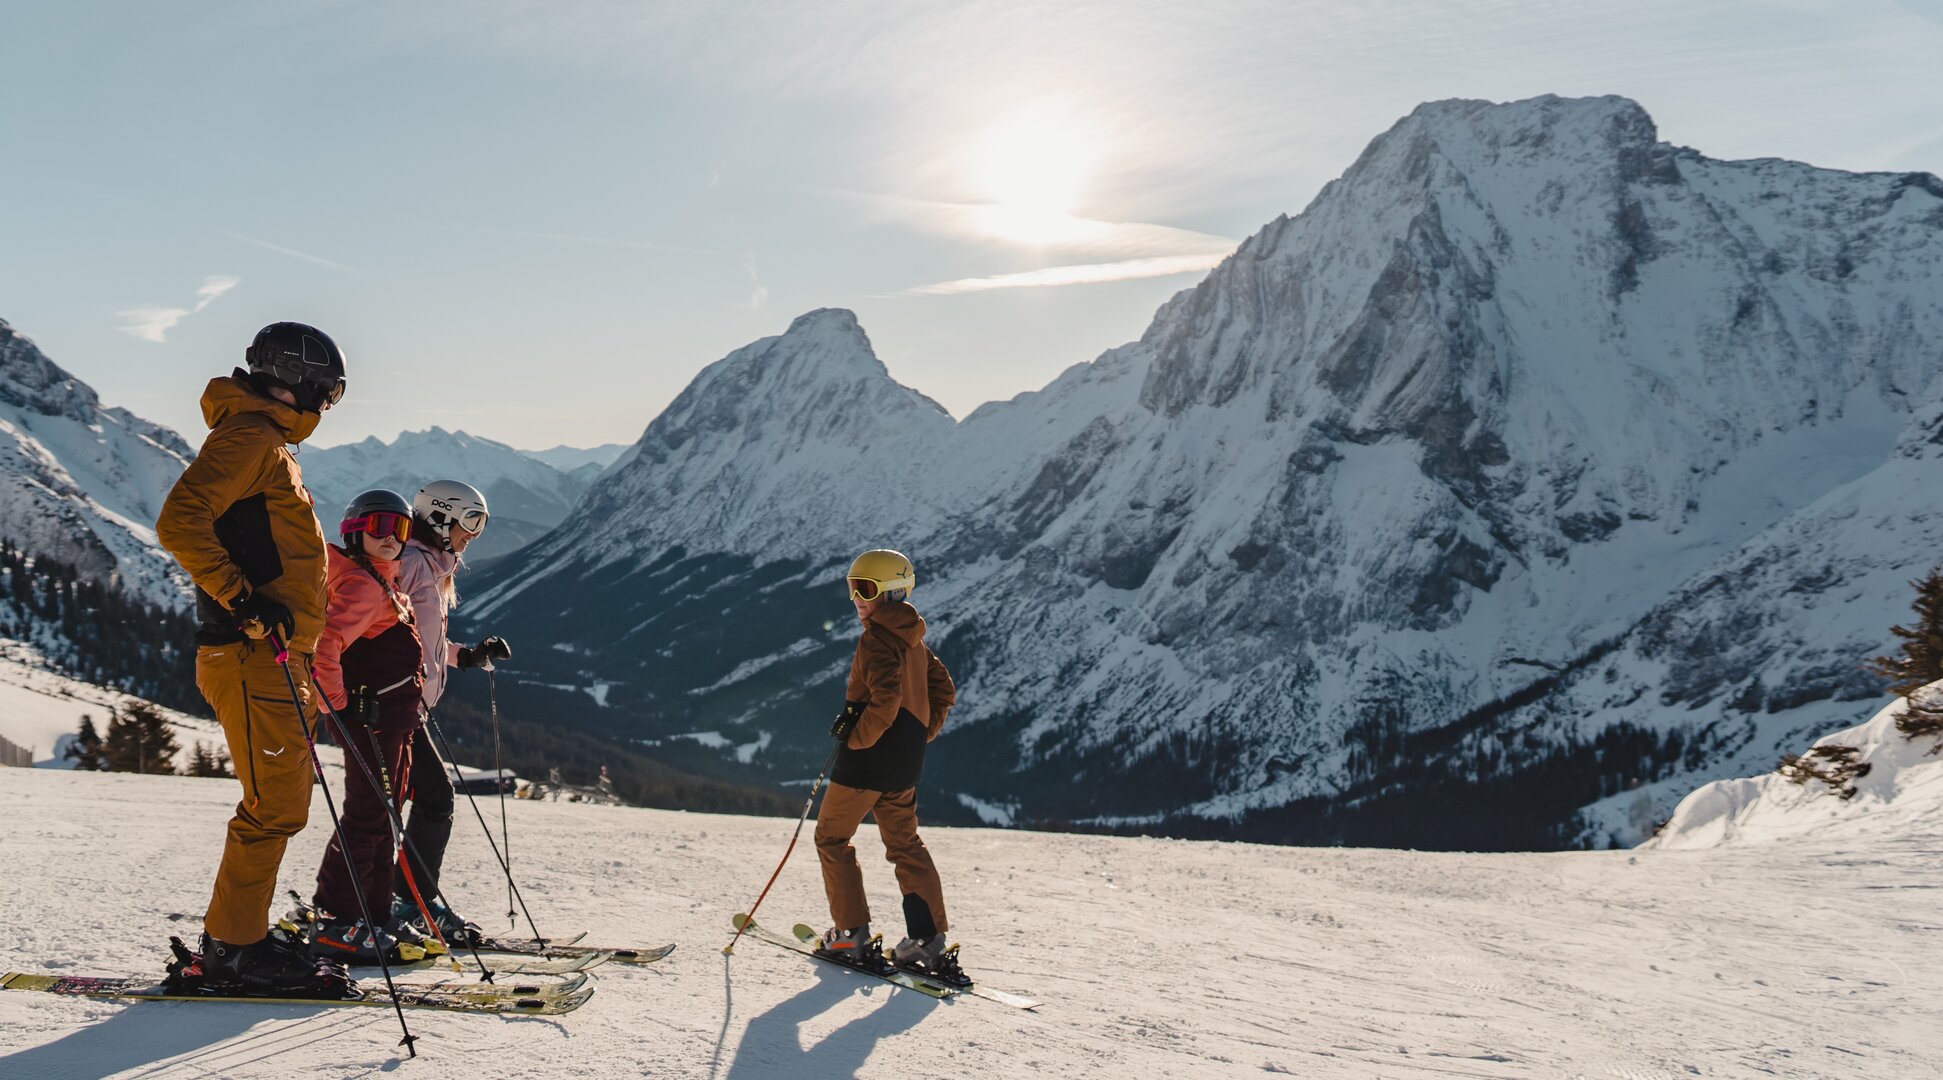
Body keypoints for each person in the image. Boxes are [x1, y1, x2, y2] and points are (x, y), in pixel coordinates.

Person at [154, 321, 348, 996]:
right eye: (327, 392)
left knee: (281, 802)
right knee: (273, 806)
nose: (327, 405)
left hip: (274, 654)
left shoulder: (263, 440)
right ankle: (235, 951)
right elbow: (179, 521)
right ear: (299, 381)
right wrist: (242, 601)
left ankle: (240, 939)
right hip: (252, 651)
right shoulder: (250, 437)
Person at [814, 548, 959, 980]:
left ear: (893, 591)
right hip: (903, 766)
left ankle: (849, 935)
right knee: (905, 846)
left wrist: (856, 737)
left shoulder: (876, 638)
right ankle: (927, 942)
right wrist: (918, 734)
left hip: (866, 765)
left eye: (865, 589)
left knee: (832, 838)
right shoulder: (914, 639)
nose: (856, 599)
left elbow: (887, 698)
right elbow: (944, 691)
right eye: (852, 588)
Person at [305, 489, 426, 962]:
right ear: (355, 531)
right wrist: (339, 705)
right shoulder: (364, 584)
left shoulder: (379, 579)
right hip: (371, 721)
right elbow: (325, 645)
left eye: (401, 528)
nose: (392, 537)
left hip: (388, 719)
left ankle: (372, 914)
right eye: (380, 526)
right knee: (368, 816)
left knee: (382, 815)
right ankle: (339, 917)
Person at [388, 479, 510, 945]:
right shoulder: (411, 564)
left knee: (412, 801)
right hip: (392, 703)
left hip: (407, 703)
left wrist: (467, 656)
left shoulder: (431, 564)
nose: (473, 535)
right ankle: (402, 902)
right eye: (469, 523)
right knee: (430, 799)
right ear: (440, 516)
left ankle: (399, 899)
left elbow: (426, 641)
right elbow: (382, 629)